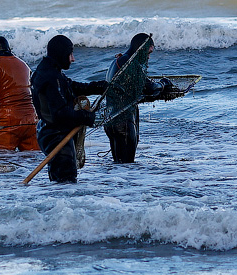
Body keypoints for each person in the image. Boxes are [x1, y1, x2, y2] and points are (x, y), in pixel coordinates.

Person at [30, 35, 108, 183]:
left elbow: (70, 87)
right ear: (61, 54)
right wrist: (86, 116)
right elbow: (60, 114)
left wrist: (98, 86)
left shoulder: (48, 71)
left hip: (46, 132)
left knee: (58, 182)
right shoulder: (51, 77)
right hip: (56, 136)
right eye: (70, 54)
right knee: (66, 182)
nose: (73, 59)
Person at [104, 33, 172, 164]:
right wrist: (164, 83)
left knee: (118, 166)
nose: (148, 57)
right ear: (140, 49)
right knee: (127, 166)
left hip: (111, 121)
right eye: (148, 52)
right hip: (123, 122)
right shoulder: (130, 63)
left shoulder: (117, 61)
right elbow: (150, 88)